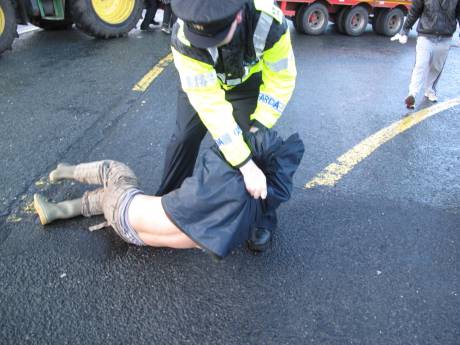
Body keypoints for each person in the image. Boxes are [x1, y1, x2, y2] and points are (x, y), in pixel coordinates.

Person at [156, 0, 296, 251]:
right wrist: (242, 162)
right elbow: (210, 104)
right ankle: (167, 203)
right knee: (184, 137)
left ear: (238, 18)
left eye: (215, 37)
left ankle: (260, 218)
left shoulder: (269, 22)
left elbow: (281, 78)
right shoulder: (183, 33)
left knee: (255, 144)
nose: (206, 44)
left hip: (246, 84)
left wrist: (259, 124)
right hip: (202, 84)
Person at [33, 129, 305, 258]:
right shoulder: (250, 215)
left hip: (126, 207)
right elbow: (277, 187)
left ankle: (66, 171)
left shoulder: (222, 181)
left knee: (116, 172)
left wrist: (247, 161)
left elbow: (225, 148)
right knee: (105, 199)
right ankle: (58, 210)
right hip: (135, 237)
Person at [391, 0, 460, 109]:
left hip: (445, 37)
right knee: (420, 64)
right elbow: (414, 11)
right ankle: (412, 94)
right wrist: (405, 31)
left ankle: (430, 90)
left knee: (436, 67)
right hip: (425, 35)